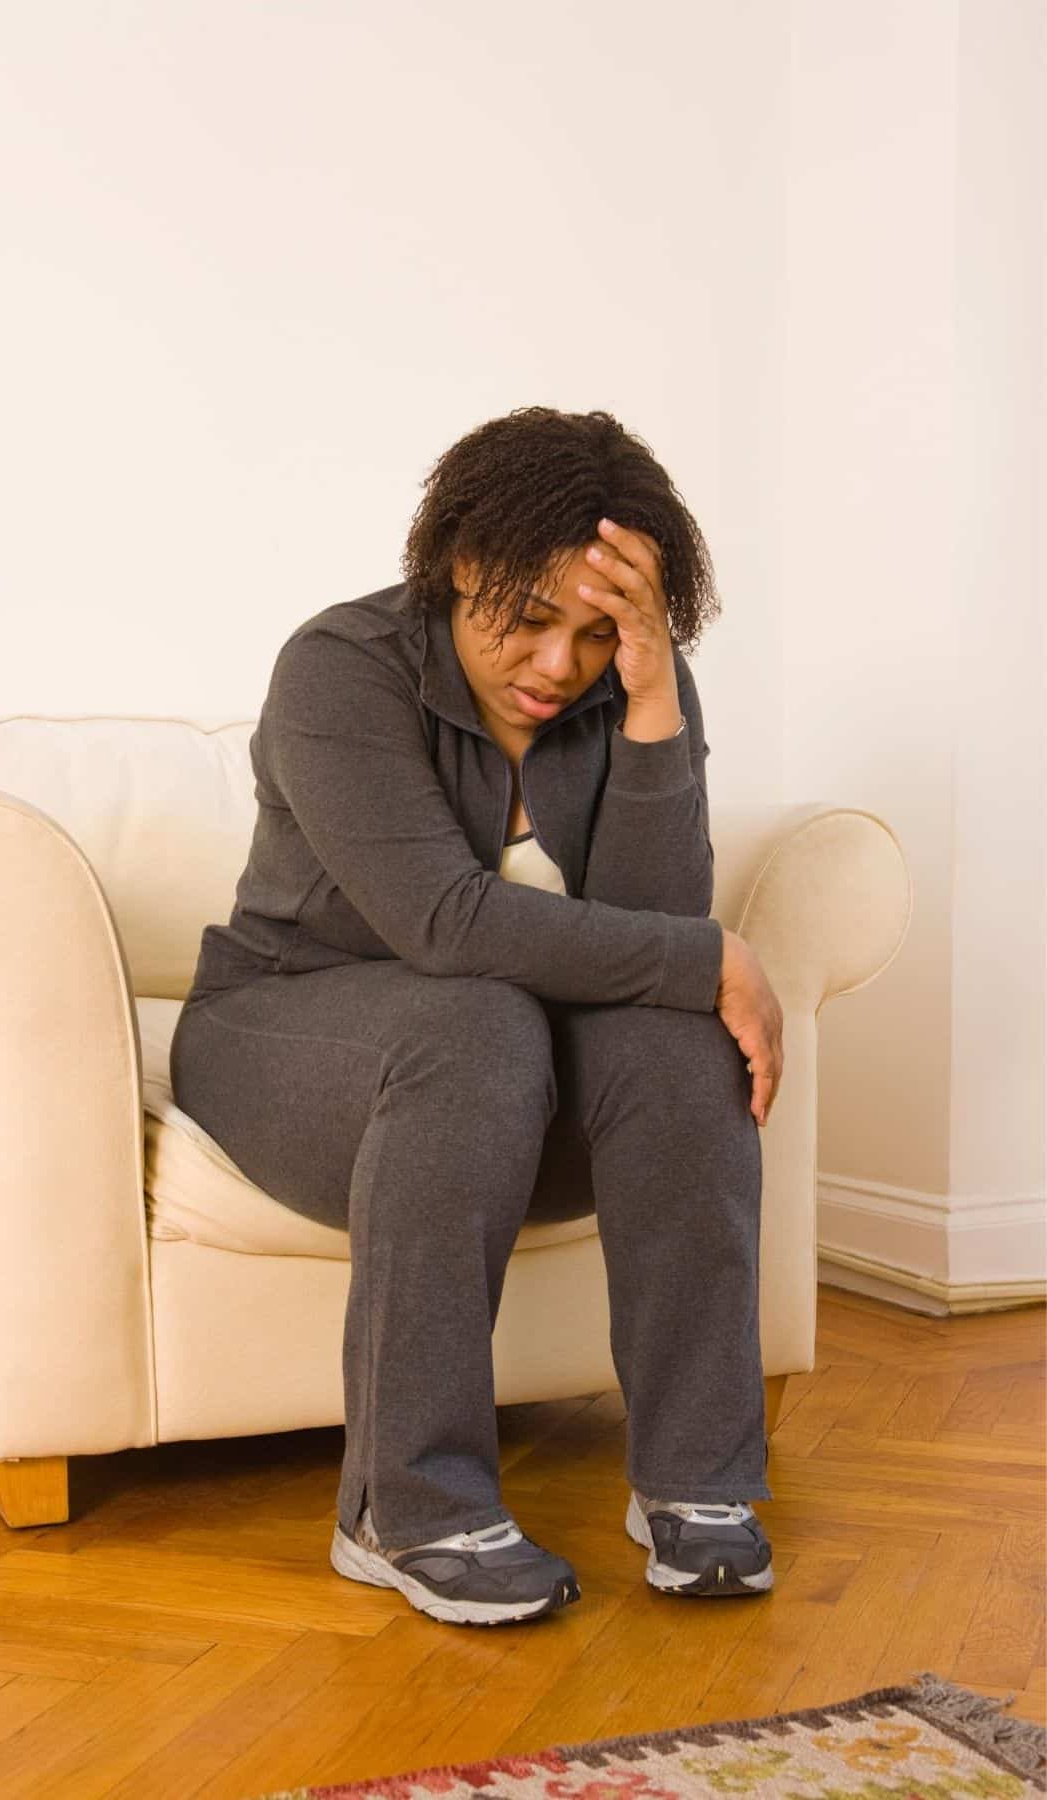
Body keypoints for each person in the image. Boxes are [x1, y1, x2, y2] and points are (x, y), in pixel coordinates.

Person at [169, 405, 785, 1628]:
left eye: (599, 633)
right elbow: (445, 925)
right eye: (529, 617)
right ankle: (405, 1506)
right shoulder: (339, 667)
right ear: (461, 564)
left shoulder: (636, 687)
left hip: (507, 1074)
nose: (559, 666)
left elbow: (651, 940)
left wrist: (657, 700)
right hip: (288, 1039)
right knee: (480, 1017)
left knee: (671, 1036)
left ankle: (698, 1480)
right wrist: (714, 955)